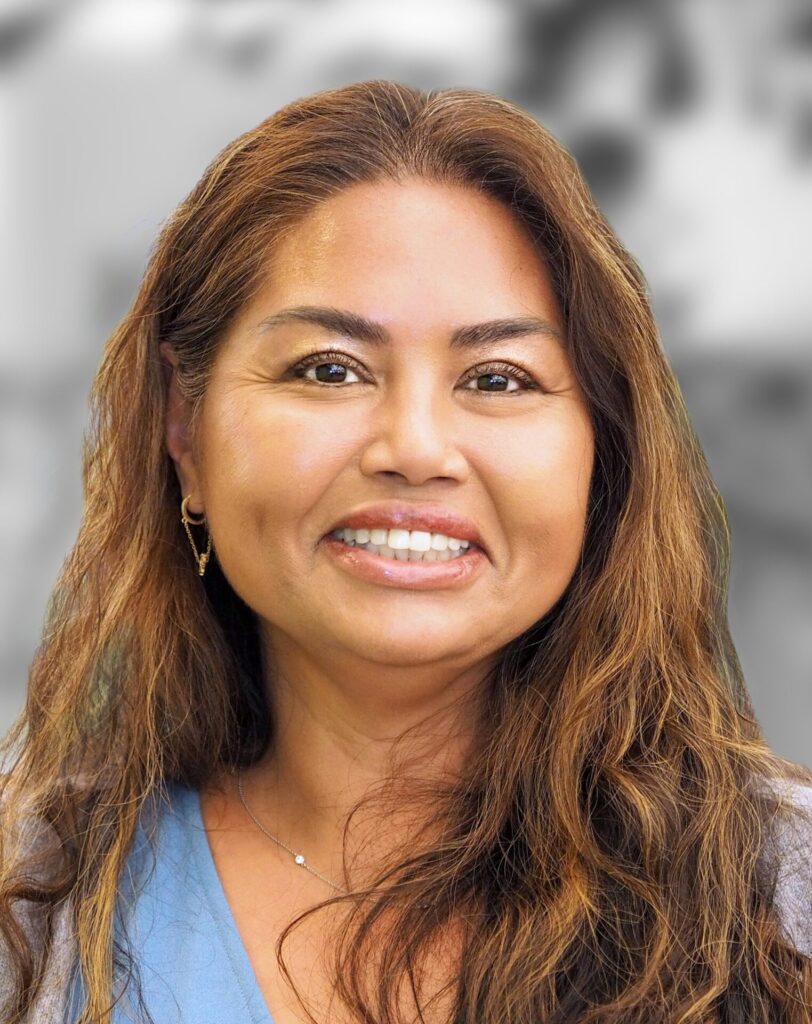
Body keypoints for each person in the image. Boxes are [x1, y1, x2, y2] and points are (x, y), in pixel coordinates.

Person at [1, 79, 811, 1024]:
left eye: (499, 378)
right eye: (329, 369)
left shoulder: (781, 901)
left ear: (604, 450)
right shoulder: (33, 905)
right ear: (187, 431)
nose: (417, 449)